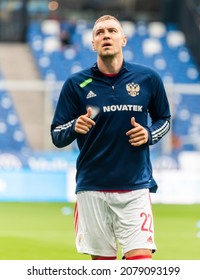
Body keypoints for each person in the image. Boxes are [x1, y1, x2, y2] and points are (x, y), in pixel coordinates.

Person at [51, 15, 171, 260]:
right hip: (92, 189)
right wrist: (75, 125)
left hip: (135, 187)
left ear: (123, 39)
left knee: (142, 265)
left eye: (112, 31)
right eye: (99, 32)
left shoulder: (148, 79)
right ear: (93, 44)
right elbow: (57, 135)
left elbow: (165, 120)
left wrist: (149, 134)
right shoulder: (76, 84)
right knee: (103, 269)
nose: (106, 35)